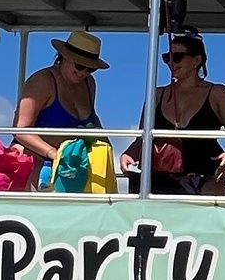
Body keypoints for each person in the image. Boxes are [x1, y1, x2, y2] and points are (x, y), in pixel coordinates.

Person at [13, 31, 136, 181]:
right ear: (64, 56)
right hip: (37, 165)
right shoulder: (42, 81)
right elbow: (20, 130)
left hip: (74, 166)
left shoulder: (89, 82)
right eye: (80, 66)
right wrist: (53, 154)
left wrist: (108, 150)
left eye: (90, 68)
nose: (83, 72)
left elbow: (92, 121)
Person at [147, 31, 225, 195]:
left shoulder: (218, 93)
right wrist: (126, 156)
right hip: (160, 177)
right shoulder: (156, 95)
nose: (171, 62)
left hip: (206, 178)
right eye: (167, 57)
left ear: (196, 60)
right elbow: (141, 140)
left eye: (178, 57)